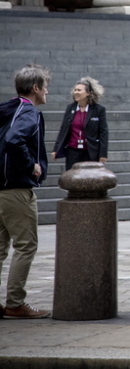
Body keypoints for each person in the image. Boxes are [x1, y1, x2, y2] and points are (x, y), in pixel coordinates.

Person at [0, 65, 52, 319]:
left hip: (1, 187)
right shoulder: (28, 112)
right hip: (16, 189)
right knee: (26, 245)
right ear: (35, 88)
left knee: (0, 248)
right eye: (45, 87)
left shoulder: (7, 109)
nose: (47, 92)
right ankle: (15, 302)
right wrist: (31, 164)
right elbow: (14, 139)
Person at [51, 77, 109, 170]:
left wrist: (103, 154)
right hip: (72, 152)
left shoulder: (99, 110)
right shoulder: (70, 108)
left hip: (90, 152)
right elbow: (63, 129)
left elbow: (103, 132)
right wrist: (56, 149)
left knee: (90, 177)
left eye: (79, 90)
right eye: (75, 90)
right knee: (72, 176)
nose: (76, 92)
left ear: (88, 93)